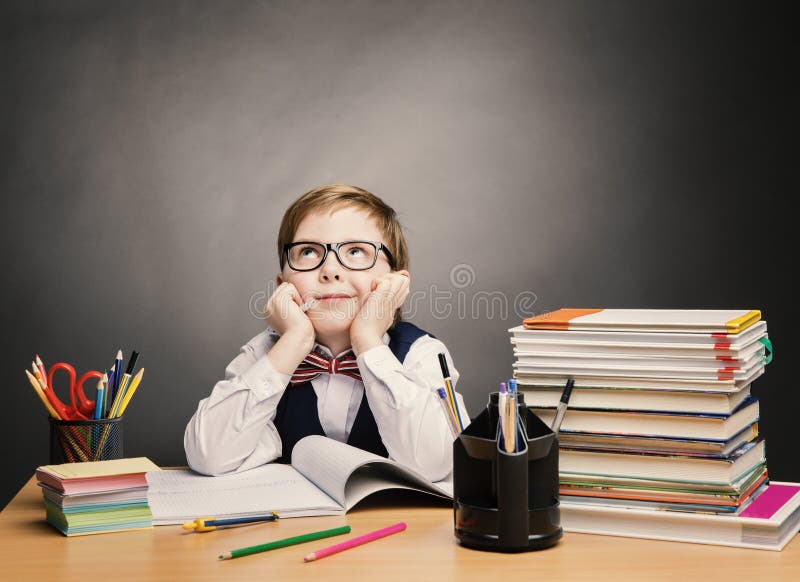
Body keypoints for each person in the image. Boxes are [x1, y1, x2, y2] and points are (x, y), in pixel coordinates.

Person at [184, 184, 466, 482]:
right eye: (308, 252)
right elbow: (209, 455)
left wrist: (368, 341)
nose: (330, 270)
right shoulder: (266, 355)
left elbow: (436, 463)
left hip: (399, 526)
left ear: (396, 282)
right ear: (283, 284)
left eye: (356, 251)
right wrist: (293, 341)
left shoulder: (422, 354)